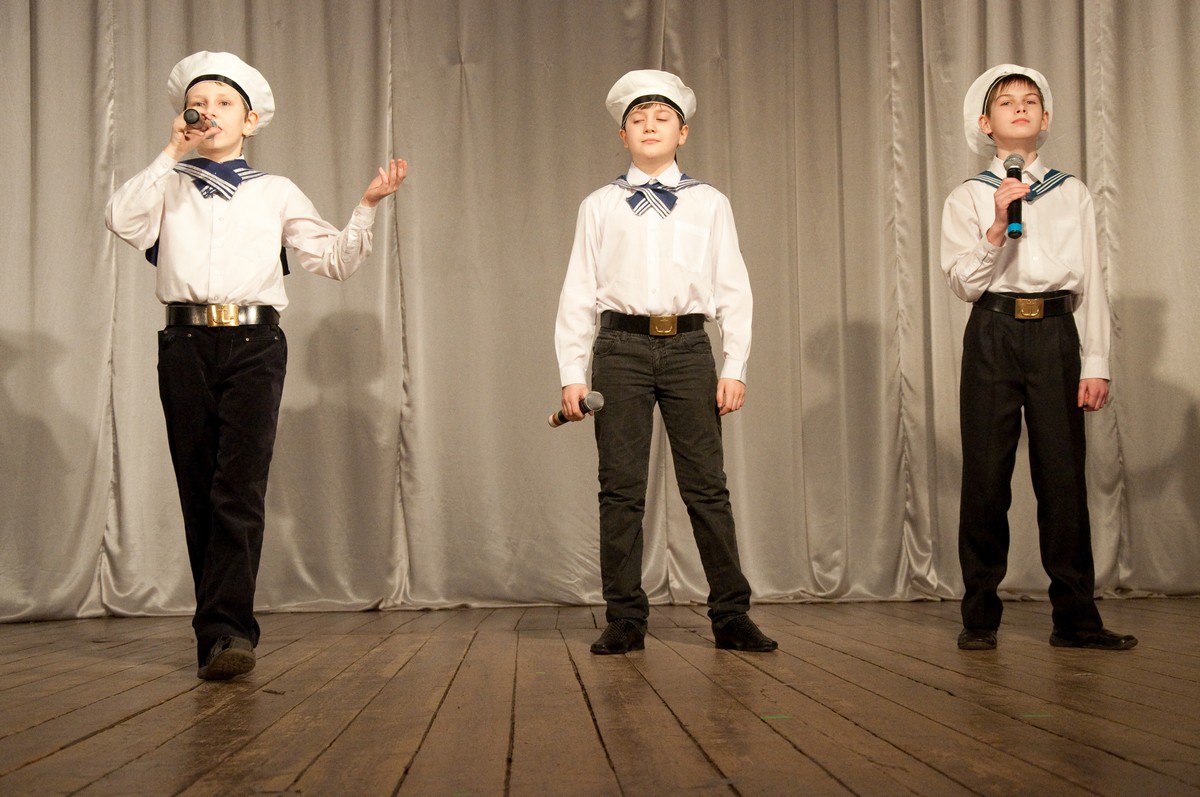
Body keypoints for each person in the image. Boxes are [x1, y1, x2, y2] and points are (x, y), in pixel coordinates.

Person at [106, 51, 407, 679]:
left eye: (224, 103)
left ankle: (228, 633)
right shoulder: (167, 184)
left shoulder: (275, 191)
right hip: (185, 343)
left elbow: (335, 261)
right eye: (198, 103)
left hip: (255, 344)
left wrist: (366, 207)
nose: (208, 112)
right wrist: (170, 152)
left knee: (238, 488)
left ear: (250, 120)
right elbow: (121, 220)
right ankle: (217, 634)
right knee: (198, 488)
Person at [554, 69, 776, 655]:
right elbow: (578, 292)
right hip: (619, 349)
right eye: (637, 119)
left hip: (688, 349)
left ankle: (731, 615)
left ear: (683, 132)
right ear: (622, 135)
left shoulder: (709, 203)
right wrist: (572, 373)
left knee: (706, 487)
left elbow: (734, 287)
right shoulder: (599, 206)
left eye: (662, 118)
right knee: (620, 488)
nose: (649, 126)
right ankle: (625, 617)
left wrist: (735, 364)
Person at [940, 64, 1135, 651]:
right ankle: (980, 617)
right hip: (993, 330)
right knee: (986, 476)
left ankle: (1076, 619)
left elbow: (1091, 280)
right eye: (1006, 103)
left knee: (1062, 478)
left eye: (1030, 101)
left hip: (1054, 333)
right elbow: (962, 283)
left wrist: (1095, 361)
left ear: (1045, 118)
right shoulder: (969, 195)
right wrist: (999, 224)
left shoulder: (1072, 192)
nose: (1020, 108)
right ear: (985, 123)